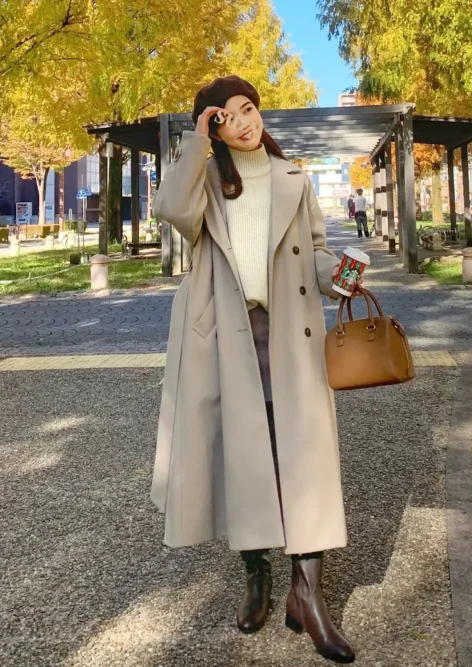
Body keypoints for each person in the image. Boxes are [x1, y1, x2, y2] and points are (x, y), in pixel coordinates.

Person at [151, 76, 356, 664]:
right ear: (214, 130)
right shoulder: (205, 183)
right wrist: (197, 138)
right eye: (228, 117)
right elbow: (171, 210)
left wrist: (342, 275)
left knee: (304, 456)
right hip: (227, 335)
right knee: (247, 455)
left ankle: (307, 594)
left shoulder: (294, 178)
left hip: (290, 333)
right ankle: (256, 575)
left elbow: (315, 250)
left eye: (248, 109)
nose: (245, 122)